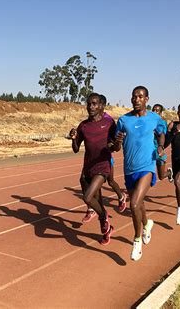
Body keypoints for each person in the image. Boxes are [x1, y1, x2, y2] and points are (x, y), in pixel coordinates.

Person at [113, 86, 166, 261]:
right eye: (134, 97)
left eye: (140, 97)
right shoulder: (123, 120)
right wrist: (117, 142)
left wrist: (160, 146)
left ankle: (136, 241)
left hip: (147, 167)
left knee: (134, 204)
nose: (136, 99)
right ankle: (146, 224)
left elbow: (161, 133)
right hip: (129, 169)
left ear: (147, 99)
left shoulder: (154, 118)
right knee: (139, 203)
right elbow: (116, 147)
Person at [69, 93, 116, 245]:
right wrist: (74, 138)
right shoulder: (83, 126)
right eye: (89, 104)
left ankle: (104, 217)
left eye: (94, 104)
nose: (91, 107)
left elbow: (115, 146)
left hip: (102, 166)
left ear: (102, 106)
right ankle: (107, 230)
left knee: (88, 198)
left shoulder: (109, 123)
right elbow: (76, 149)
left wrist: (117, 143)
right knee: (98, 202)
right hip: (87, 167)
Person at [151, 104, 173, 182]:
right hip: (149, 151)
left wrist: (160, 147)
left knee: (161, 176)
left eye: (157, 111)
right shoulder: (149, 121)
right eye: (153, 110)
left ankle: (169, 173)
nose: (154, 112)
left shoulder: (161, 123)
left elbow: (162, 134)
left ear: (160, 113)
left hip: (159, 152)